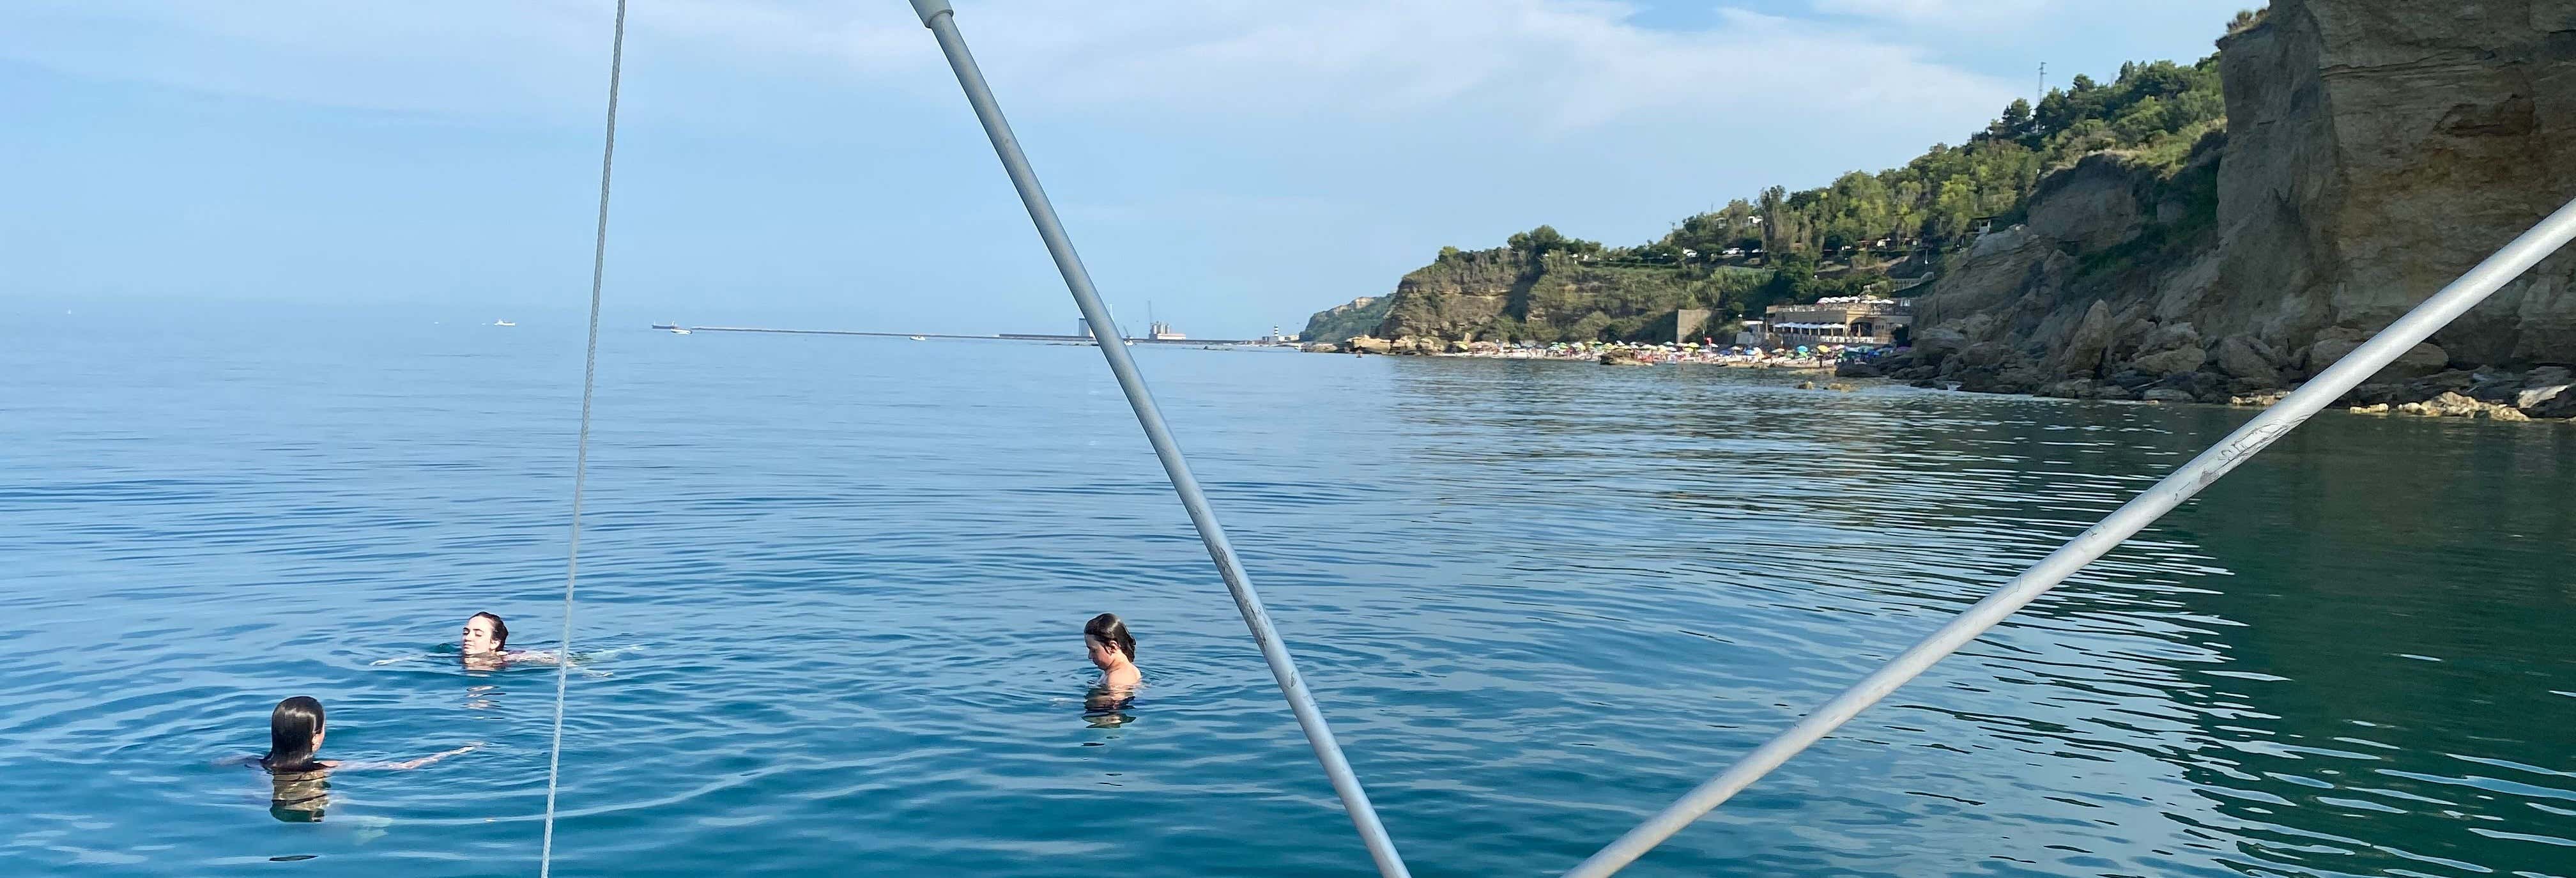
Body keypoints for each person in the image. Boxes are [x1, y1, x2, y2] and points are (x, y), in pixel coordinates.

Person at [250, 697, 477, 821]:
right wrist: (455, 753)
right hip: (315, 813)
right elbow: (403, 767)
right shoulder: (324, 768)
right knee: (377, 818)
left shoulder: (255, 763)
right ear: (315, 737)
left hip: (272, 809)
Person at [460, 612, 557, 670]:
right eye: (466, 633)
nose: (468, 638)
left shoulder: (508, 659)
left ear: (494, 643)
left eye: (478, 634)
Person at [1083, 613, 1142, 691]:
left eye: (1094, 650)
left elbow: (1113, 702)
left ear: (1112, 647)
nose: (1090, 656)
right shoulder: (1125, 669)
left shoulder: (1117, 679)